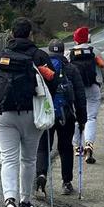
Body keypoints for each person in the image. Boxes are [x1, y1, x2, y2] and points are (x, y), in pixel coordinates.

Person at [0, 18, 57, 207]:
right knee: (28, 159)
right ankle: (25, 201)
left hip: (3, 114)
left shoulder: (0, 57)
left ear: (12, 35)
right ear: (30, 35)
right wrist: (46, 109)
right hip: (31, 114)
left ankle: (10, 200)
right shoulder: (40, 56)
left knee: (8, 159)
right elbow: (52, 82)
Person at [36, 39, 88, 197]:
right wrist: (82, 118)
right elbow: (80, 96)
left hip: (47, 114)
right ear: (63, 51)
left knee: (44, 147)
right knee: (65, 148)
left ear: (49, 52)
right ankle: (66, 183)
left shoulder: (42, 69)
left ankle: (41, 174)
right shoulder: (71, 68)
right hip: (67, 115)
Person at [69, 26, 104, 164]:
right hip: (93, 87)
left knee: (76, 118)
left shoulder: (69, 54)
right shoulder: (95, 52)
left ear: (75, 39)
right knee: (91, 117)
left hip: (76, 90)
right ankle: (89, 144)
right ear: (88, 38)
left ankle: (78, 147)